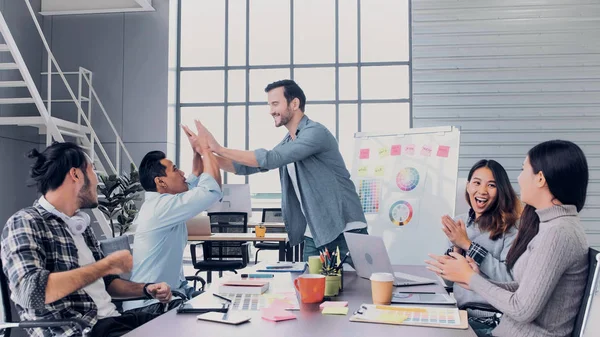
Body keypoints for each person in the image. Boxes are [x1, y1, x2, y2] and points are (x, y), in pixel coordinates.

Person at [1, 142, 173, 337]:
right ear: (76, 175)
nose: (97, 180)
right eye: (93, 171)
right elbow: (31, 293)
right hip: (82, 329)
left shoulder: (79, 225)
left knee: (180, 315)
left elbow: (107, 283)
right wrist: (106, 265)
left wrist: (146, 289)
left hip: (112, 322)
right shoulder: (26, 222)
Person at [427, 140, 590, 337]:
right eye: (476, 183)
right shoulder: (551, 227)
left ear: (540, 179)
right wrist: (471, 277)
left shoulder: (559, 232)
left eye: (523, 170)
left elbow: (521, 309)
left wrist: (471, 278)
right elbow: (522, 290)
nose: (519, 179)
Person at [195, 79, 368, 264]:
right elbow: (248, 166)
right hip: (316, 231)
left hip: (344, 227)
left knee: (351, 290)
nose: (271, 111)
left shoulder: (315, 133)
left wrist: (219, 148)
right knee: (311, 289)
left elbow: (270, 158)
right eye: (270, 105)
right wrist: (205, 153)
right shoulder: (289, 141)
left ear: (294, 104)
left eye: (275, 104)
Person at [123, 123, 222, 311]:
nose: (182, 173)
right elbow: (211, 190)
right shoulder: (162, 208)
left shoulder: (164, 202)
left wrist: (197, 152)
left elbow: (195, 176)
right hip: (149, 306)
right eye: (175, 169)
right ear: (160, 181)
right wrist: (207, 149)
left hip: (171, 296)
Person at [441, 159, 520, 336]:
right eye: (476, 183)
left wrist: (467, 244)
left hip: (494, 321)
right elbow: (448, 283)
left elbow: (511, 280)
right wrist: (456, 251)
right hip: (461, 315)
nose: (482, 191)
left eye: (491, 185)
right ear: (468, 186)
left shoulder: (511, 229)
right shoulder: (458, 223)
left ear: (500, 191)